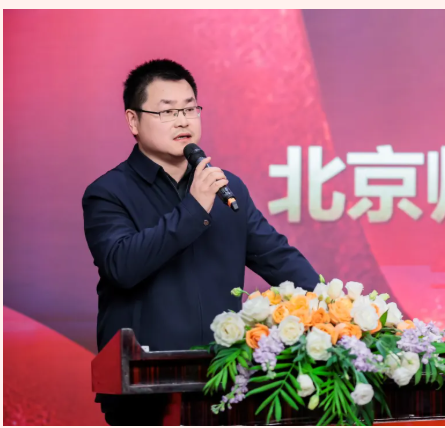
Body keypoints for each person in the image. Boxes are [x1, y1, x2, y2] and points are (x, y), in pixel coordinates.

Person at [82, 59, 320, 425]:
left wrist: (335, 306)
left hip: (226, 381)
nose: (183, 121)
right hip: (144, 389)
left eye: (190, 108)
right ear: (133, 121)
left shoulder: (226, 188)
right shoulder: (108, 193)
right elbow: (122, 266)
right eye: (167, 111)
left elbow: (277, 257)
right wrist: (194, 208)